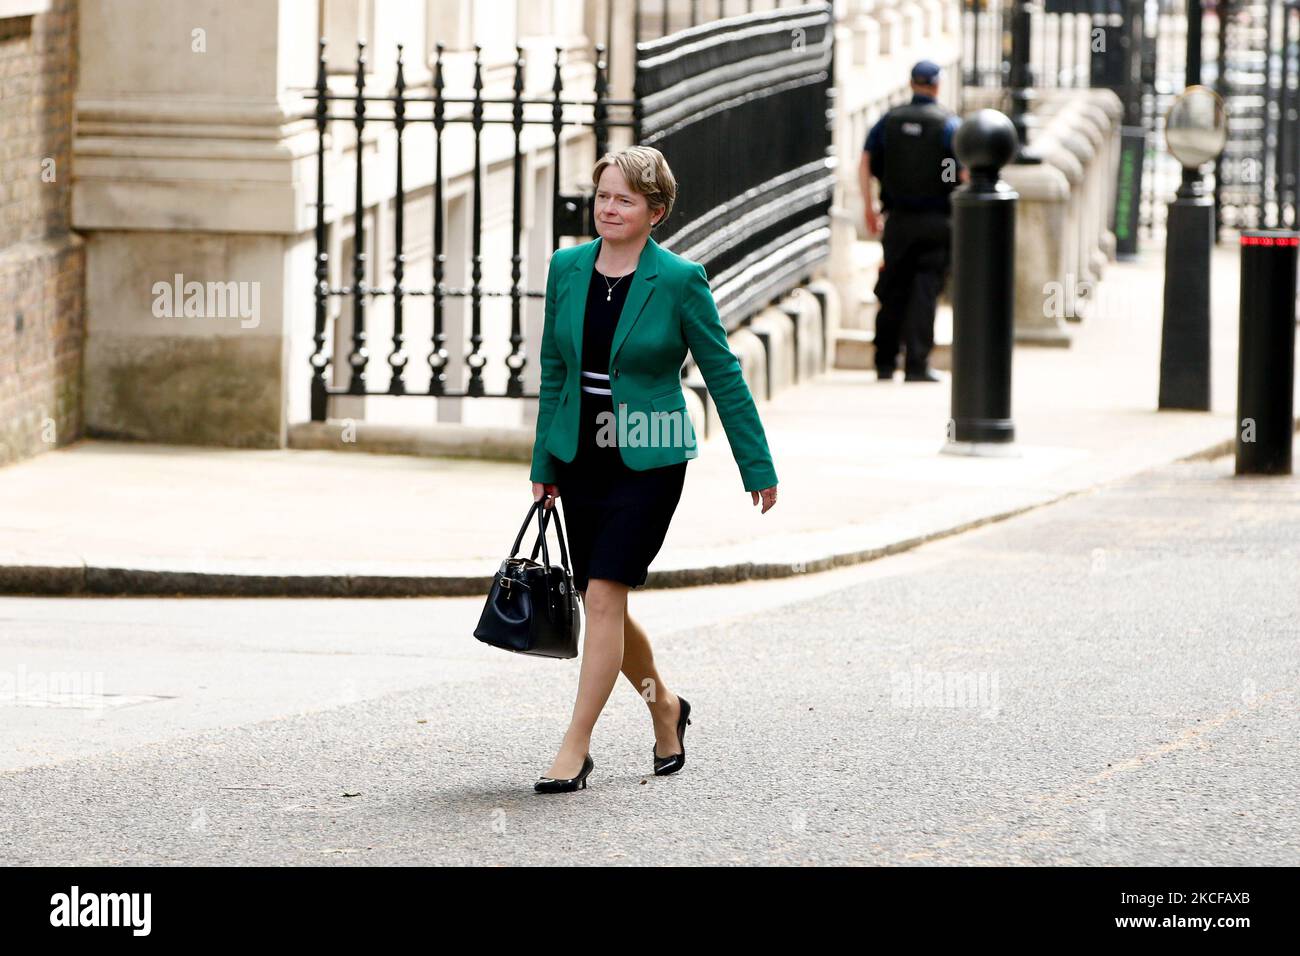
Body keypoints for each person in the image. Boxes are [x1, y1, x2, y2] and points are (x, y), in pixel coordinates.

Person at [527, 145, 779, 793]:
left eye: (624, 200)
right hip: (580, 453)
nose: (608, 209)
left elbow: (722, 370)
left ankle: (575, 747)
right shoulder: (566, 267)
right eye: (603, 196)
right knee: (601, 600)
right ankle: (665, 707)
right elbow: (555, 370)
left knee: (606, 596)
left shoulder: (678, 279)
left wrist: (756, 463)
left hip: (649, 454)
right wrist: (544, 459)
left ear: (655, 211)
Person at [859, 59, 967, 382]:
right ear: (936, 85)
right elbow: (962, 172)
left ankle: (884, 361)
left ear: (911, 84)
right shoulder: (949, 125)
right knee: (925, 288)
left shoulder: (889, 122)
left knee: (893, 286)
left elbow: (865, 163)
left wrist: (869, 207)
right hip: (936, 221)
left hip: (898, 220)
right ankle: (917, 364)